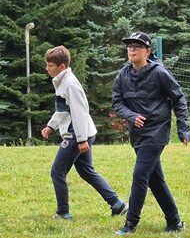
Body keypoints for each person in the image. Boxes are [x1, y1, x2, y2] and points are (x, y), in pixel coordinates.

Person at [111, 32, 190, 235]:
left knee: (140, 175)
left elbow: (179, 98)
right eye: (130, 47)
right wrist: (131, 116)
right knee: (155, 179)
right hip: (137, 134)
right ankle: (174, 222)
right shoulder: (123, 75)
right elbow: (117, 102)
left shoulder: (159, 73)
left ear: (147, 51)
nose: (132, 50)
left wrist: (183, 128)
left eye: (137, 47)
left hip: (157, 132)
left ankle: (130, 224)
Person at [41, 45, 127, 220]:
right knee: (87, 171)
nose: (47, 69)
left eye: (50, 65)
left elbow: (79, 112)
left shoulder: (70, 84)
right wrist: (51, 126)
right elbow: (63, 110)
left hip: (77, 134)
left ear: (62, 66)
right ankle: (117, 204)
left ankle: (63, 212)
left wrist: (81, 140)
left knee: (57, 171)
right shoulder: (61, 81)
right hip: (82, 133)